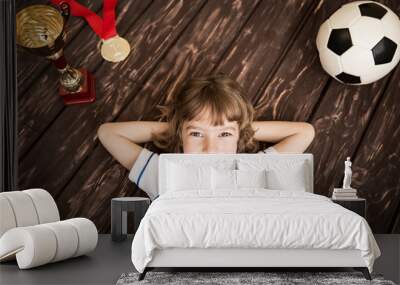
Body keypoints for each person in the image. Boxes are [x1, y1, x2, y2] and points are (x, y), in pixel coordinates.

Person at [98, 73, 315, 200]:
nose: (210, 148)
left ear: (239, 135)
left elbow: (305, 132)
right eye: (196, 133)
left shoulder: (254, 167)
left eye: (224, 134)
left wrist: (239, 126)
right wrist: (176, 127)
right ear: (181, 135)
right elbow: (108, 133)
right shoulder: (163, 171)